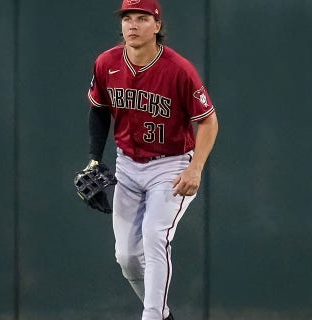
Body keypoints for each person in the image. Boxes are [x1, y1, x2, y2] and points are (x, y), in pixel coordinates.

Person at [84, 0, 218, 319]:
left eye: (142, 19)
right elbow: (99, 111)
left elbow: (209, 121)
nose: (132, 25)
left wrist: (195, 168)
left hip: (170, 165)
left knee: (155, 235)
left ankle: (152, 316)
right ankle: (163, 314)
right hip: (127, 165)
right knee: (127, 256)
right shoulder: (106, 63)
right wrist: (93, 159)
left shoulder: (179, 69)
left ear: (157, 26)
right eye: (127, 18)